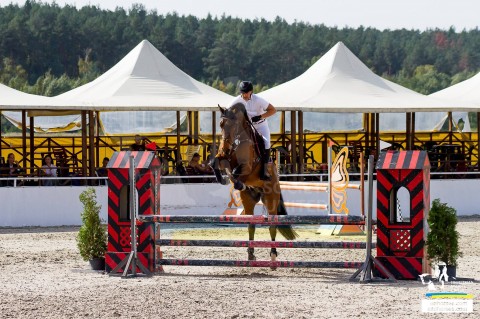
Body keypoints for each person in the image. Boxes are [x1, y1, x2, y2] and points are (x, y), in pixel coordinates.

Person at [229, 80, 277, 180]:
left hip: (261, 125)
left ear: (251, 92)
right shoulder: (237, 100)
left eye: (246, 93)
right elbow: (227, 112)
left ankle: (264, 171)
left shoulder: (258, 100)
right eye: (242, 93)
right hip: (248, 127)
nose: (244, 95)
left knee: (267, 143)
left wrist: (260, 116)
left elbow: (273, 110)